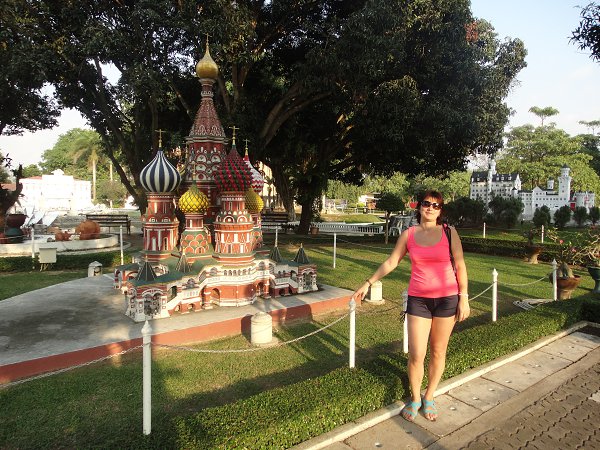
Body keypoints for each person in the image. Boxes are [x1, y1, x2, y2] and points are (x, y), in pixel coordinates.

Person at [352, 190, 469, 422]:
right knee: (417, 353)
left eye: (436, 205)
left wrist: (463, 297)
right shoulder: (409, 235)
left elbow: (460, 265)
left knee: (438, 351)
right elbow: (392, 261)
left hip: (447, 299)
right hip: (419, 300)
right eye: (426, 204)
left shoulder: (449, 232)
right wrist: (368, 283)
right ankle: (415, 398)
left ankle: (429, 396)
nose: (430, 208)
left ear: (440, 210)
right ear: (419, 207)